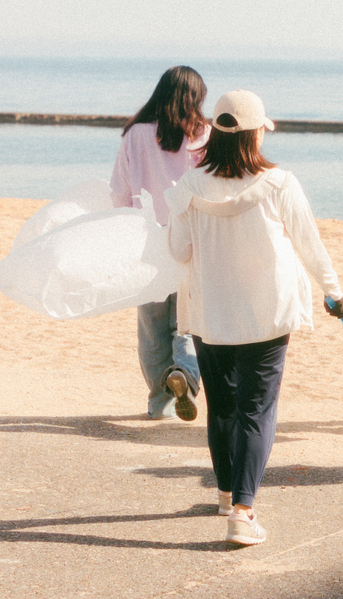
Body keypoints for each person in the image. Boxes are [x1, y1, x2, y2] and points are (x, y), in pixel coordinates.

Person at [166, 89, 343, 545]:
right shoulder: (280, 183)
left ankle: (227, 496)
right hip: (267, 312)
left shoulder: (187, 187)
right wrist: (333, 291)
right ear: (255, 134)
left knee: (222, 407)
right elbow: (309, 242)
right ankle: (243, 514)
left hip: (210, 309)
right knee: (256, 410)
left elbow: (180, 250)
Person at [110, 66, 210, 421]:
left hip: (145, 238)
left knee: (152, 326)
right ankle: (185, 373)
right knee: (187, 319)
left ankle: (160, 402)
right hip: (190, 238)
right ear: (196, 98)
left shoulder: (135, 134)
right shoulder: (203, 134)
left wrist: (123, 232)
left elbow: (120, 190)